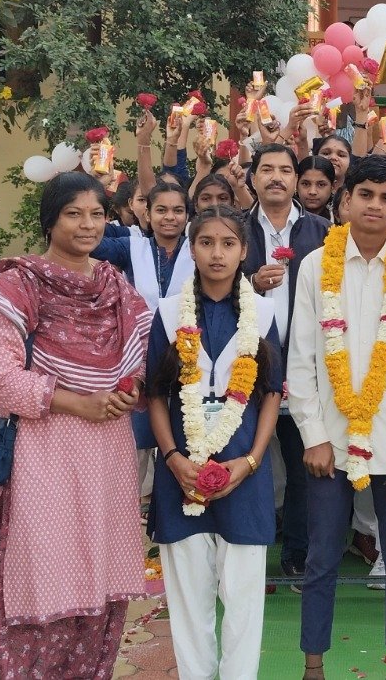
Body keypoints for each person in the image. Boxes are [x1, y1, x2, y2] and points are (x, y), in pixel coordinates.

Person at [0, 172, 150, 678]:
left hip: (107, 451)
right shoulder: (16, 287)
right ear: (49, 221)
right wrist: (76, 403)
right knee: (42, 570)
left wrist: (130, 388)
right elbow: (2, 380)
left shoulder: (115, 286)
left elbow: (139, 361)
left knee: (100, 578)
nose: (88, 225)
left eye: (97, 214)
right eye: (74, 214)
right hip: (41, 450)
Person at [289, 157, 386, 680]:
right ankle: (313, 667)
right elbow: (302, 358)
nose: (375, 205)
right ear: (345, 200)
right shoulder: (315, 266)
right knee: (321, 559)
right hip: (330, 441)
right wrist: (312, 435)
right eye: (365, 194)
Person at [145, 207, 282, 680]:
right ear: (192, 249)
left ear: (244, 251)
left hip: (243, 472)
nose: (216, 254)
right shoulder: (169, 314)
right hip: (181, 476)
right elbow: (156, 395)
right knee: (189, 606)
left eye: (228, 243)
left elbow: (271, 393)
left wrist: (252, 460)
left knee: (243, 604)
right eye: (205, 243)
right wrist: (172, 457)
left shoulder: (262, 314)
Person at [243, 144, 333, 582]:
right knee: (246, 458)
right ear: (253, 178)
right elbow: (209, 284)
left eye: (284, 170)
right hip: (249, 364)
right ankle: (247, 553)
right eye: (267, 169)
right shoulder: (235, 227)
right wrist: (250, 282)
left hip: (306, 366)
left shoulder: (323, 230)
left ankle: (297, 553)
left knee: (303, 464)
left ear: (297, 179)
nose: (276, 177)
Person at [94, 180, 193, 312]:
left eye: (178, 210)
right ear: (147, 214)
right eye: (161, 210)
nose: (170, 217)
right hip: (139, 324)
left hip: (190, 325)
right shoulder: (131, 247)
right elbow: (88, 243)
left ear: (187, 216)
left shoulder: (198, 249)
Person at [297, 155, 338, 221]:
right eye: (305, 184)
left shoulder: (341, 220)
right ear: (296, 184)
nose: (312, 192)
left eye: (321, 185)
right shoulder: (284, 219)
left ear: (333, 186)